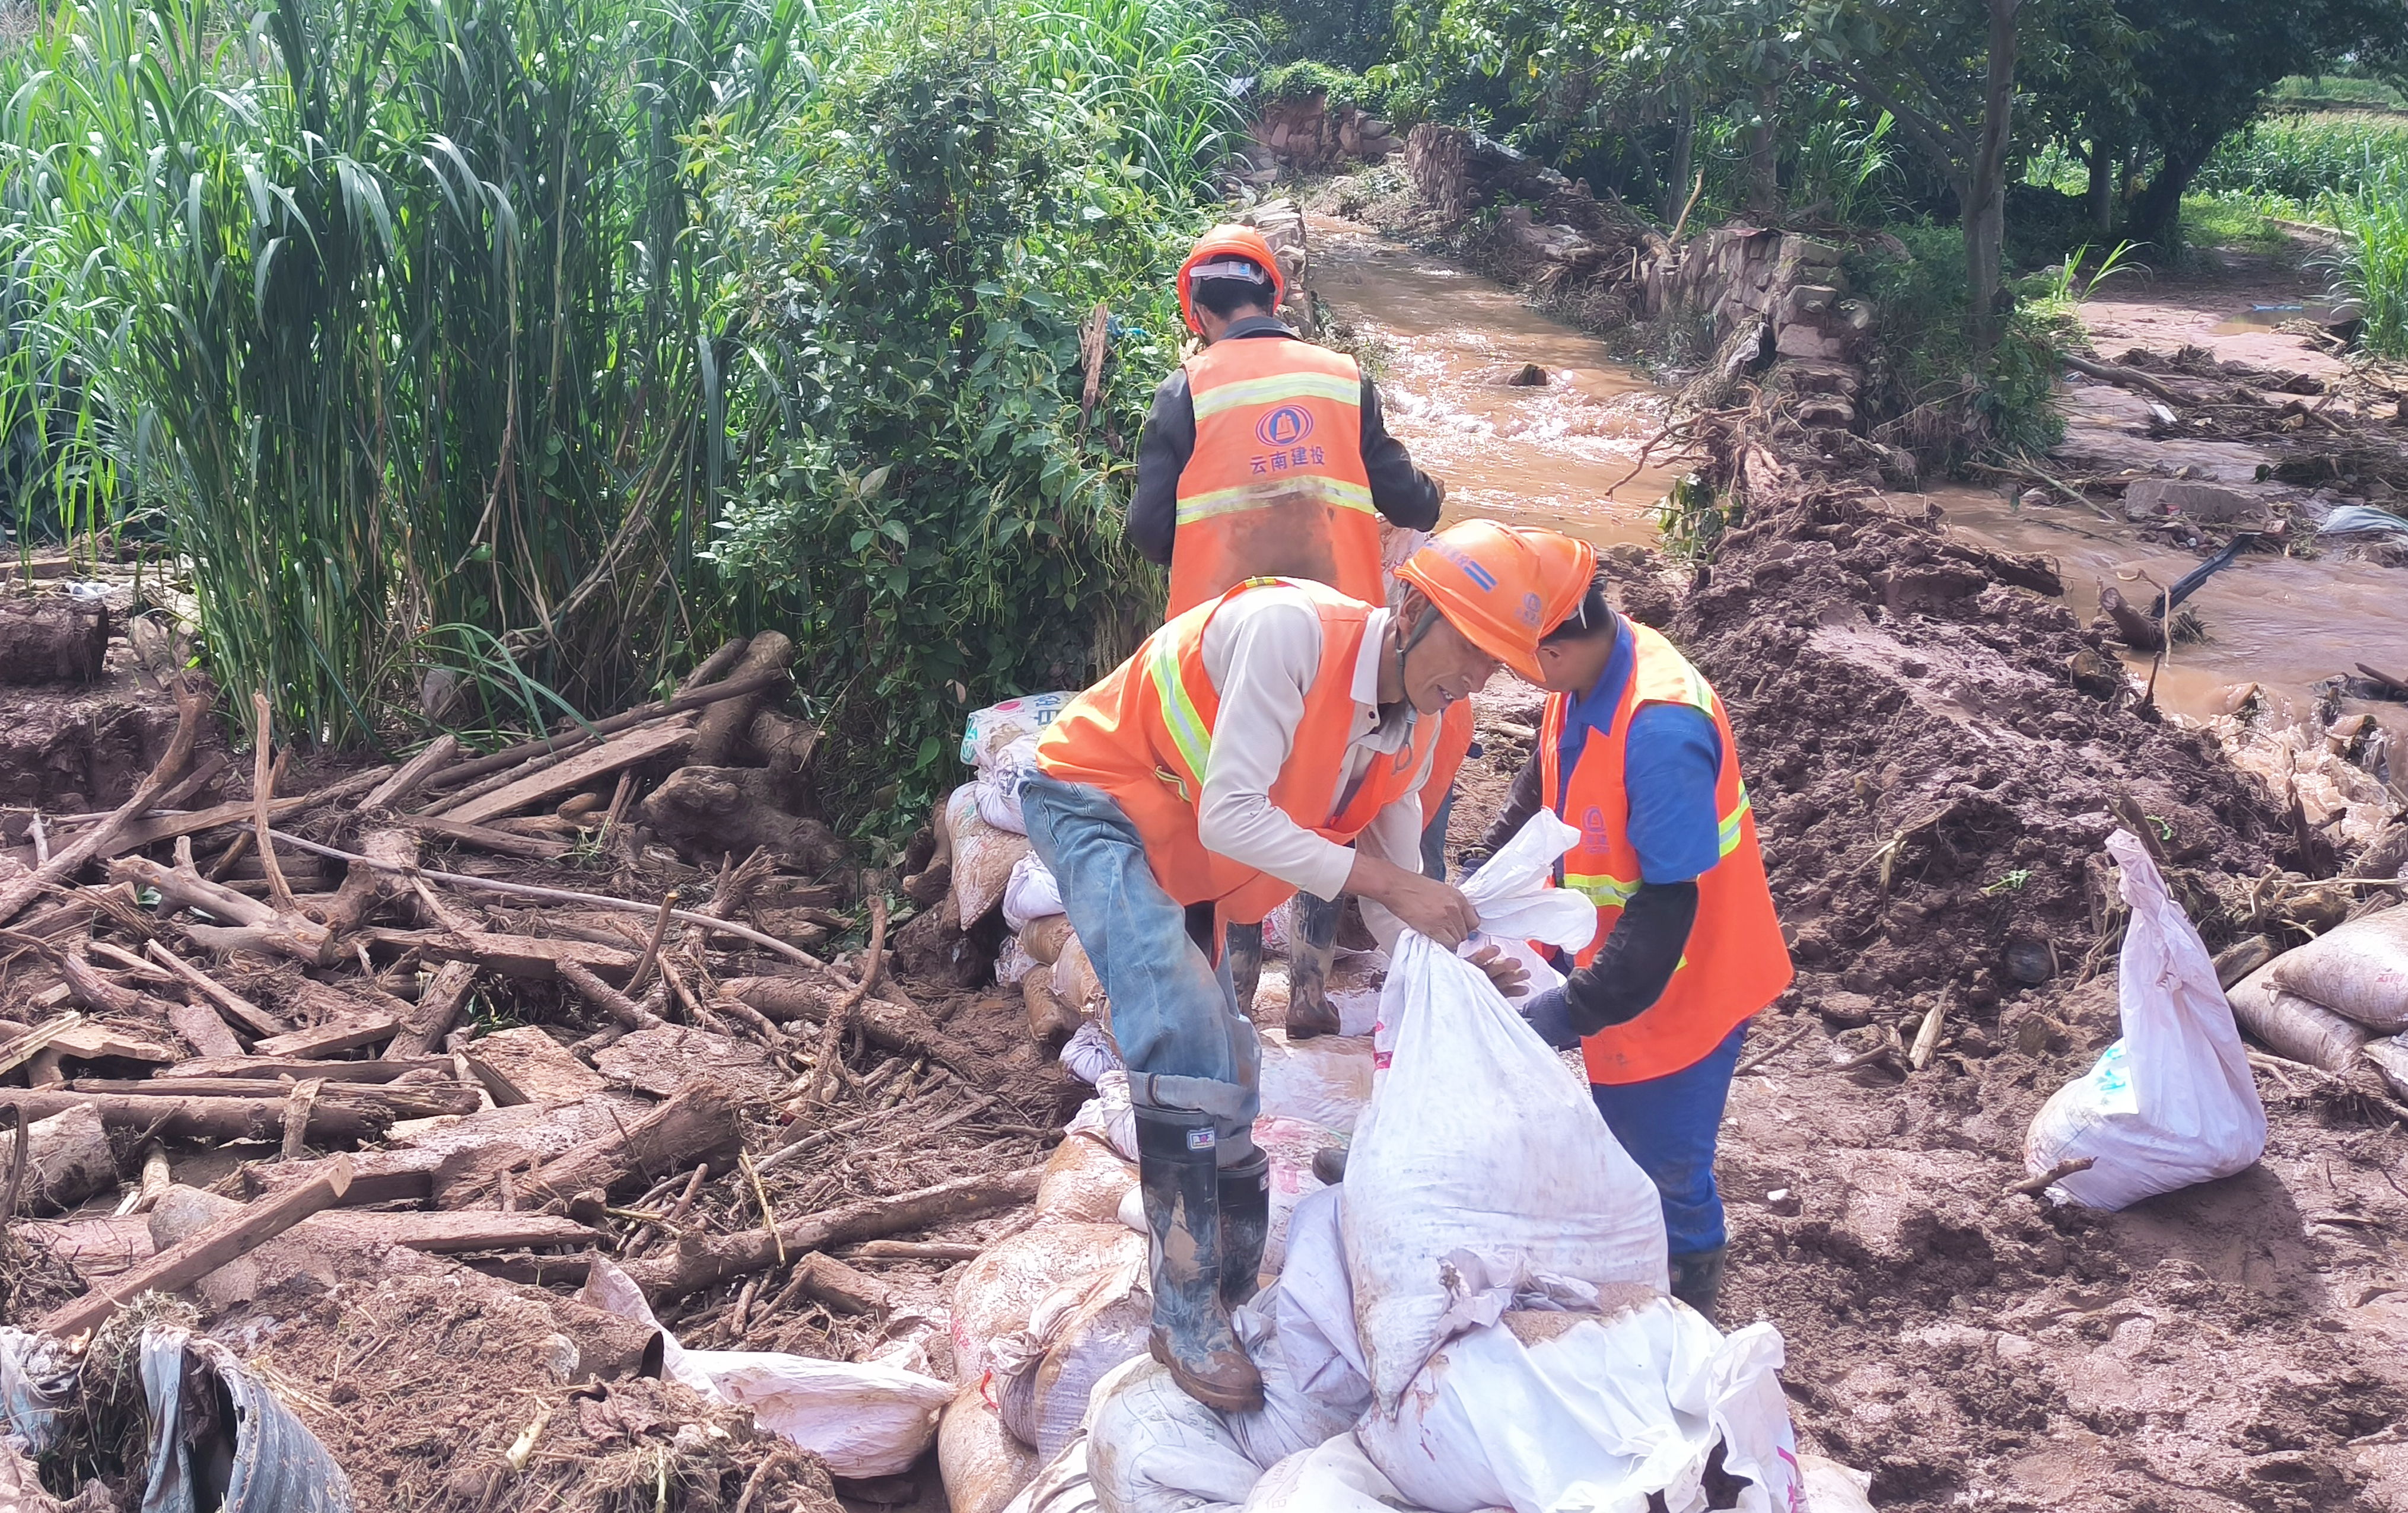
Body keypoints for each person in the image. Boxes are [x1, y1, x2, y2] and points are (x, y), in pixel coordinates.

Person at [1021, 521, 1592, 1410]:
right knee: (1182, 1032)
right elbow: (1237, 817)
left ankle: (1230, 1287)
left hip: (1186, 851)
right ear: (1412, 608)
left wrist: (1458, 963)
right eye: (1472, 649)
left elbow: (1394, 899)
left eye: (1496, 664)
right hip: (1099, 803)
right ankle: (1182, 1313)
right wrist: (1397, 884)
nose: (1478, 679)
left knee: (1231, 1059)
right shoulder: (1290, 635)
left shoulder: (1412, 731)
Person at [1130, 225, 1449, 1039]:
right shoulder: (1342, 378)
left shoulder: (1185, 391)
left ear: (1197, 311)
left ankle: (1233, 995)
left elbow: (1147, 532)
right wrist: (1429, 497)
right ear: (1275, 297)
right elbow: (1409, 502)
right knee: (1324, 803)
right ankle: (1307, 987)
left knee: (1233, 801)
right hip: (1342, 645)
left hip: (1222, 648)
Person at [1475, 574, 1792, 1321]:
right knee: (1617, 1141)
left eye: (1507, 660)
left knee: (1665, 1171)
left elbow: (1665, 910)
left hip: (1686, 981)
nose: (1496, 674)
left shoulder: (1661, 730)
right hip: (1619, 962)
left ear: (1552, 650)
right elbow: (1543, 779)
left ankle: (1691, 1315)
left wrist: (1562, 1015)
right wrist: (1478, 875)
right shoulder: (1586, 672)